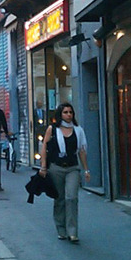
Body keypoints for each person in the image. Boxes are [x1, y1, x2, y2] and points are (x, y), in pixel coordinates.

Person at [38, 102, 90, 244]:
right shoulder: (52, 129)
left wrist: (86, 169)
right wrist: (43, 167)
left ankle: (72, 232)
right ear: (60, 114)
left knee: (71, 198)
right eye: (65, 112)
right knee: (59, 199)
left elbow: (82, 150)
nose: (68, 115)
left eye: (70, 112)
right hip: (56, 168)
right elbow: (44, 147)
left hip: (72, 168)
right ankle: (61, 229)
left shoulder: (78, 130)